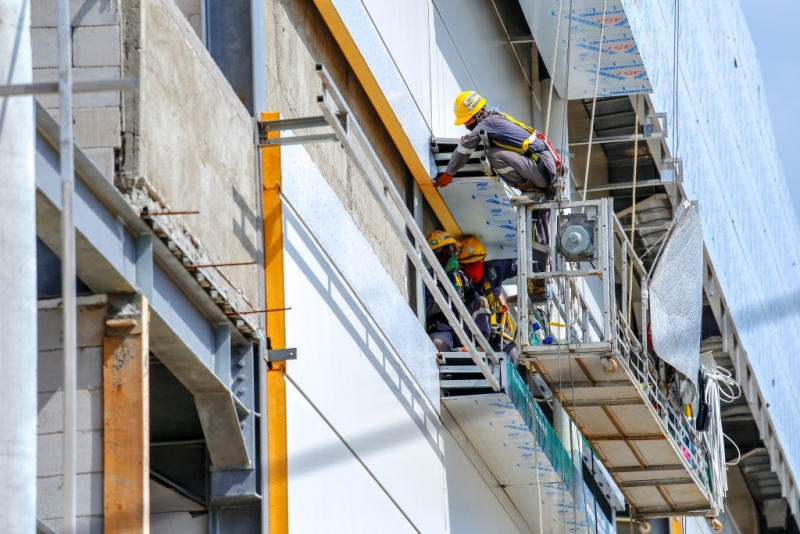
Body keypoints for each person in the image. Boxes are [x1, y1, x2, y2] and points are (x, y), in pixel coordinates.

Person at [434, 90, 561, 274]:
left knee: (493, 155)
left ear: (477, 114)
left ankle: (531, 189)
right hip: (545, 172)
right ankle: (540, 272)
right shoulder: (495, 120)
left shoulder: (489, 122)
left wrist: (448, 173)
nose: (466, 126)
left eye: (467, 120)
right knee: (540, 231)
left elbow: (462, 151)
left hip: (542, 172)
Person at [458, 236, 519, 363]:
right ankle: (482, 347)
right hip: (468, 330)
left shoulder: (495, 270)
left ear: (483, 259)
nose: (473, 267)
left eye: (477, 262)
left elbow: (519, 264)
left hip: (493, 327)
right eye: (469, 264)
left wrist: (542, 261)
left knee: (511, 353)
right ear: (462, 264)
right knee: (481, 301)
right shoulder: (459, 279)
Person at [424, 230, 465, 352]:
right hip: (442, 329)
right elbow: (424, 308)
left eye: (451, 251)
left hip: (462, 329)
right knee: (439, 343)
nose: (450, 256)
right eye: (445, 252)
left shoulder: (459, 277)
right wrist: (444, 291)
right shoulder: (427, 277)